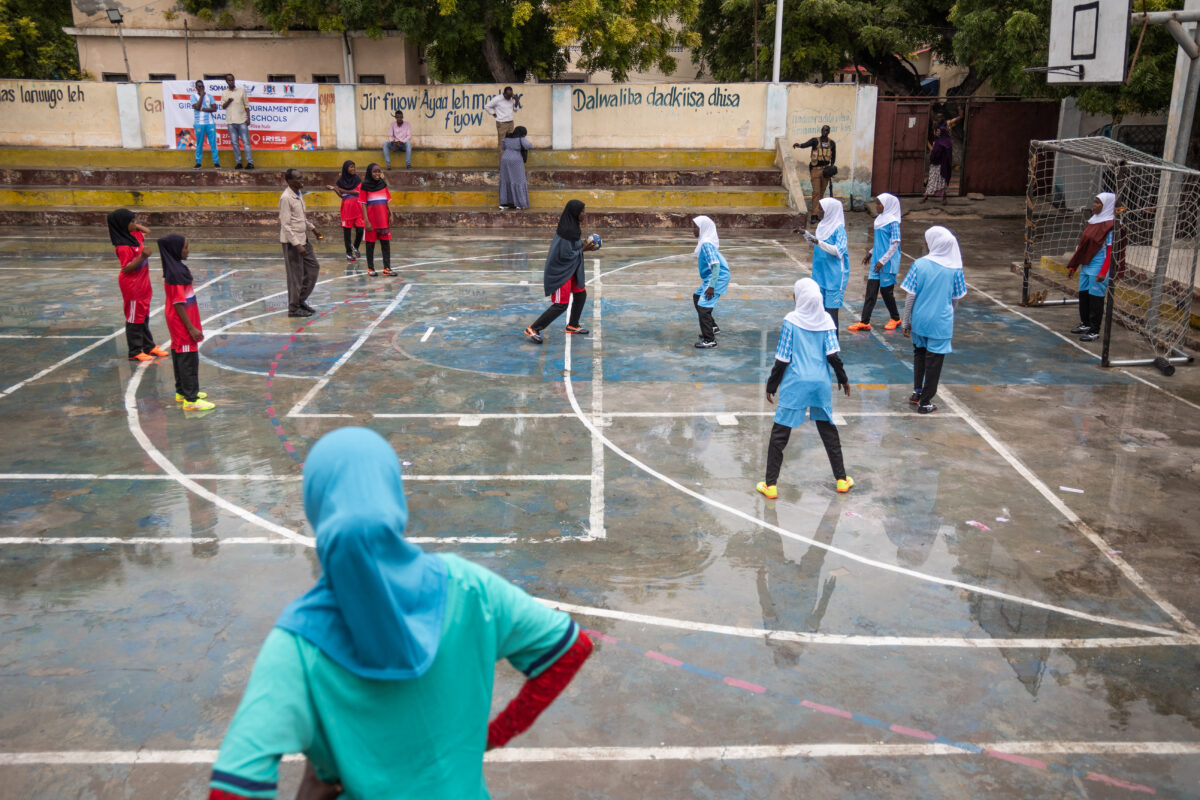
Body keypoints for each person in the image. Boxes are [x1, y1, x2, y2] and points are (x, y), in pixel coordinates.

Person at [207, 427, 592, 800]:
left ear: (315, 506)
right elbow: (570, 649)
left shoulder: (297, 644)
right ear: (394, 497)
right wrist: (489, 737)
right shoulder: (472, 588)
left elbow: (234, 786)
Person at [757, 277, 854, 499]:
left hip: (795, 383)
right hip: (820, 383)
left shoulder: (791, 321)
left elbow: (782, 358)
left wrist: (772, 384)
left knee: (780, 433)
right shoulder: (827, 320)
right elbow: (833, 355)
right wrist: (843, 378)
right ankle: (841, 480)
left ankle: (770, 485)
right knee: (828, 430)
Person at [901, 226, 968, 414]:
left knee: (919, 354)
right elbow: (955, 298)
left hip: (920, 320)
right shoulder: (955, 269)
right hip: (941, 322)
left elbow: (910, 296)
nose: (925, 243)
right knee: (934, 361)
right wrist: (947, 314)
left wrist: (906, 320)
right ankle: (925, 402)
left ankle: (917, 392)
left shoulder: (919, 264)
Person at [523, 200, 599, 344]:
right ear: (575, 213)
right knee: (561, 304)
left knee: (580, 294)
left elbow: (573, 247)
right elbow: (566, 255)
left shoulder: (572, 226)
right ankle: (533, 329)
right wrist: (584, 249)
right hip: (561, 271)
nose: (584, 214)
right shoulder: (567, 231)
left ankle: (572, 325)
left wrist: (582, 244)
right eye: (582, 211)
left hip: (572, 269)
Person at [159, 234, 214, 412]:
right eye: (184, 247)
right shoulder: (175, 273)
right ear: (175, 249)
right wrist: (190, 328)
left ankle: (182, 391)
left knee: (179, 353)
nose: (187, 251)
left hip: (182, 320)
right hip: (181, 322)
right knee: (187, 358)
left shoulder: (176, 268)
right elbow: (177, 303)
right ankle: (191, 399)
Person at [107, 209, 169, 362]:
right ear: (122, 224)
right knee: (134, 319)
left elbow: (147, 231)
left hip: (143, 284)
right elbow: (126, 268)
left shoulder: (133, 236)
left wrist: (136, 226)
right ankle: (134, 351)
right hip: (132, 286)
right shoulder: (122, 246)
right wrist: (143, 256)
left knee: (143, 316)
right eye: (131, 221)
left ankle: (148, 346)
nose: (134, 224)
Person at [849, 193, 903, 332]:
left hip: (888, 263)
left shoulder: (893, 222)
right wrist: (871, 253)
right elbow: (880, 242)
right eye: (876, 203)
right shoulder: (879, 220)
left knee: (886, 292)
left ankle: (896, 318)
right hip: (877, 261)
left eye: (879, 204)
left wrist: (882, 260)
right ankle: (864, 322)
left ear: (888, 205)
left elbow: (895, 244)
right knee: (871, 292)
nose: (876, 206)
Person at [1066, 192, 1115, 342]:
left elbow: (1110, 251)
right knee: (1083, 296)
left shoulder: (1110, 226)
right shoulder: (1093, 221)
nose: (1094, 205)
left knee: (1096, 299)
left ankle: (1094, 330)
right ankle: (1085, 323)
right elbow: (1083, 247)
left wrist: (1104, 271)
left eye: (1098, 202)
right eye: (1094, 201)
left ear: (1106, 205)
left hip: (1099, 267)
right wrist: (1074, 266)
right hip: (1087, 266)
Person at [279, 168, 321, 317]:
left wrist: (313, 229)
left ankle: (300, 300)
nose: (301, 180)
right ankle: (293, 308)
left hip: (304, 239)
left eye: (301, 177)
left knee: (313, 268)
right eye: (297, 178)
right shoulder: (286, 198)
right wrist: (297, 244)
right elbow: (285, 224)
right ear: (289, 181)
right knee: (295, 276)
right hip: (293, 243)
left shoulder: (299, 194)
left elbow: (301, 217)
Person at [803, 197, 850, 330]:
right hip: (820, 274)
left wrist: (819, 242)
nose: (818, 211)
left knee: (831, 313)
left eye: (822, 209)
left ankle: (833, 346)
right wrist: (806, 235)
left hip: (834, 277)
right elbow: (817, 243)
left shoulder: (839, 229)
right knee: (820, 311)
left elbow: (838, 251)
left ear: (830, 211)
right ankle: (822, 341)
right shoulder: (822, 226)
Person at [691, 215, 730, 349]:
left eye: (696, 227)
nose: (693, 230)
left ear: (703, 228)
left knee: (703, 307)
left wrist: (712, 286)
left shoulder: (707, 244)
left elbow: (716, 265)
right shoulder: (705, 242)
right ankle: (712, 327)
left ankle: (710, 340)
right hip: (711, 277)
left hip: (717, 277)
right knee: (697, 297)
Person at [793, 125, 836, 224]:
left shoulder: (832, 143)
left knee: (821, 193)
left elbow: (833, 157)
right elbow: (805, 145)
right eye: (823, 130)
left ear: (828, 132)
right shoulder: (815, 141)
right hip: (815, 170)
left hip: (825, 171)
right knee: (816, 192)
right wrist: (798, 145)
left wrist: (831, 168)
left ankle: (818, 214)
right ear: (821, 131)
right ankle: (813, 214)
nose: (824, 132)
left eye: (826, 131)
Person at [358, 163, 393, 277]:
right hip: (371, 220)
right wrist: (366, 221)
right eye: (375, 171)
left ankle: (387, 268)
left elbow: (387, 200)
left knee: (386, 244)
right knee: (370, 245)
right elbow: (363, 204)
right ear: (370, 173)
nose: (377, 174)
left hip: (383, 219)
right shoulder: (365, 186)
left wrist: (391, 214)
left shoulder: (383, 184)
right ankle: (370, 268)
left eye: (379, 171)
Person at [326, 160, 364, 263]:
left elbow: (357, 193)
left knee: (360, 230)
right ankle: (349, 253)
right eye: (351, 167)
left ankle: (355, 246)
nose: (353, 169)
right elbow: (342, 196)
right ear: (346, 168)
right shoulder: (340, 181)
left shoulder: (357, 179)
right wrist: (335, 189)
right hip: (346, 209)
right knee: (347, 233)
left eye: (354, 167)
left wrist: (345, 191)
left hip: (357, 208)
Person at [922, 115, 960, 204]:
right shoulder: (937, 141)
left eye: (939, 131)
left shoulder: (947, 142)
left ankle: (944, 198)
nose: (937, 133)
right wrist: (928, 143)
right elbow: (933, 150)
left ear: (942, 131)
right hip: (934, 165)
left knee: (942, 182)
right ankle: (926, 197)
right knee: (931, 181)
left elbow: (948, 155)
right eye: (937, 131)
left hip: (942, 165)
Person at [221, 74, 253, 170]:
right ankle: (238, 162)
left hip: (242, 120)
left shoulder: (241, 91)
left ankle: (250, 162)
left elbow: (246, 105)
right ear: (226, 82)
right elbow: (223, 106)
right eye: (229, 80)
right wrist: (229, 101)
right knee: (234, 143)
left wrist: (248, 118)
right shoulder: (224, 93)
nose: (231, 82)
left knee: (246, 142)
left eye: (232, 80)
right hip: (231, 122)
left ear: (234, 80)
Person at [499, 126, 532, 210]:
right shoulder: (521, 139)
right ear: (522, 133)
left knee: (506, 180)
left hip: (505, 160)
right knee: (519, 180)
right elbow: (529, 146)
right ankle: (519, 203)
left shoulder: (507, 138)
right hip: (516, 161)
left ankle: (504, 204)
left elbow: (503, 147)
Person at [189, 79, 220, 169]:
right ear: (196, 88)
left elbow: (214, 109)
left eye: (202, 86)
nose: (201, 88)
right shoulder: (193, 97)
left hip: (210, 123)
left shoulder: (210, 96)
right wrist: (202, 96)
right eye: (199, 87)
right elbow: (197, 107)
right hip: (199, 123)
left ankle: (216, 162)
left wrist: (203, 109)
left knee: (213, 143)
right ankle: (198, 162)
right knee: (199, 143)